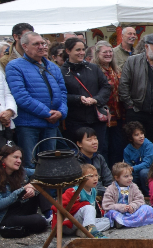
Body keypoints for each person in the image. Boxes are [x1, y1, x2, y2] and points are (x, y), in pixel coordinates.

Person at [6, 32, 67, 166]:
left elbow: (63, 92)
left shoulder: (53, 67)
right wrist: (46, 113)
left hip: (51, 124)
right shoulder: (15, 66)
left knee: (50, 164)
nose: (41, 46)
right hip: (29, 125)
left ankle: (50, 188)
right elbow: (20, 95)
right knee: (30, 163)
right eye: (36, 44)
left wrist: (61, 112)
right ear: (25, 46)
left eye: (43, 43)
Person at [119, 34, 153, 154]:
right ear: (146, 46)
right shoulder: (132, 61)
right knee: (135, 148)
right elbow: (124, 85)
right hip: (136, 112)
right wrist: (130, 106)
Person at [60, 37, 111, 156]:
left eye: (83, 49)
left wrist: (96, 99)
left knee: (99, 152)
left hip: (96, 118)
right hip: (75, 120)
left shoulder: (93, 68)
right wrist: (77, 99)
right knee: (78, 153)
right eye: (78, 50)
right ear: (68, 51)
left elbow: (106, 87)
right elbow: (60, 94)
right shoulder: (61, 71)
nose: (82, 52)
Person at [0, 145, 47, 238]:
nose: (19, 161)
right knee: (39, 221)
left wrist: (33, 188)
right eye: (15, 157)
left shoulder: (21, 171)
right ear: (2, 158)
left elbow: (41, 173)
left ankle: (50, 215)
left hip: (22, 208)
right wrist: (22, 190)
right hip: (6, 216)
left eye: (20, 158)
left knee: (38, 179)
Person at [101, 162, 153, 229]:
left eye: (131, 175)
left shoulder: (133, 186)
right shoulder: (111, 189)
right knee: (111, 213)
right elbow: (106, 205)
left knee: (147, 208)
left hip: (132, 212)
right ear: (117, 178)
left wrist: (132, 206)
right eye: (126, 176)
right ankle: (121, 222)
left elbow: (140, 200)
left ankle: (124, 222)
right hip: (118, 212)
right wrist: (121, 207)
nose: (130, 178)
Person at [92, 41, 125, 162]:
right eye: (105, 52)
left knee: (117, 147)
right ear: (97, 54)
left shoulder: (116, 70)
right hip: (102, 115)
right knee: (103, 147)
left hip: (118, 115)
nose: (108, 54)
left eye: (110, 51)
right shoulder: (94, 70)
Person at [59, 164, 109, 238]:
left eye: (96, 175)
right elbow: (59, 206)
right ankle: (91, 231)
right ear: (81, 178)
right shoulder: (74, 191)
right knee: (88, 207)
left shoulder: (94, 191)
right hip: (70, 223)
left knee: (107, 221)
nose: (95, 179)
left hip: (84, 222)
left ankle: (84, 231)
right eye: (91, 176)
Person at [70, 126, 113, 193]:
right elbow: (86, 184)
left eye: (95, 139)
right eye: (89, 140)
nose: (94, 142)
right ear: (79, 144)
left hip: (103, 192)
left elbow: (108, 179)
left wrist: (113, 189)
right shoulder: (74, 159)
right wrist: (107, 191)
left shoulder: (99, 157)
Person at [121, 121, 153, 193]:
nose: (141, 136)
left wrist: (133, 168)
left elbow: (147, 163)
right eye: (137, 135)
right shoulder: (127, 150)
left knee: (143, 173)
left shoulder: (149, 145)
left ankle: (149, 194)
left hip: (150, 171)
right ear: (130, 138)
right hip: (135, 173)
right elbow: (128, 166)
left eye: (142, 133)